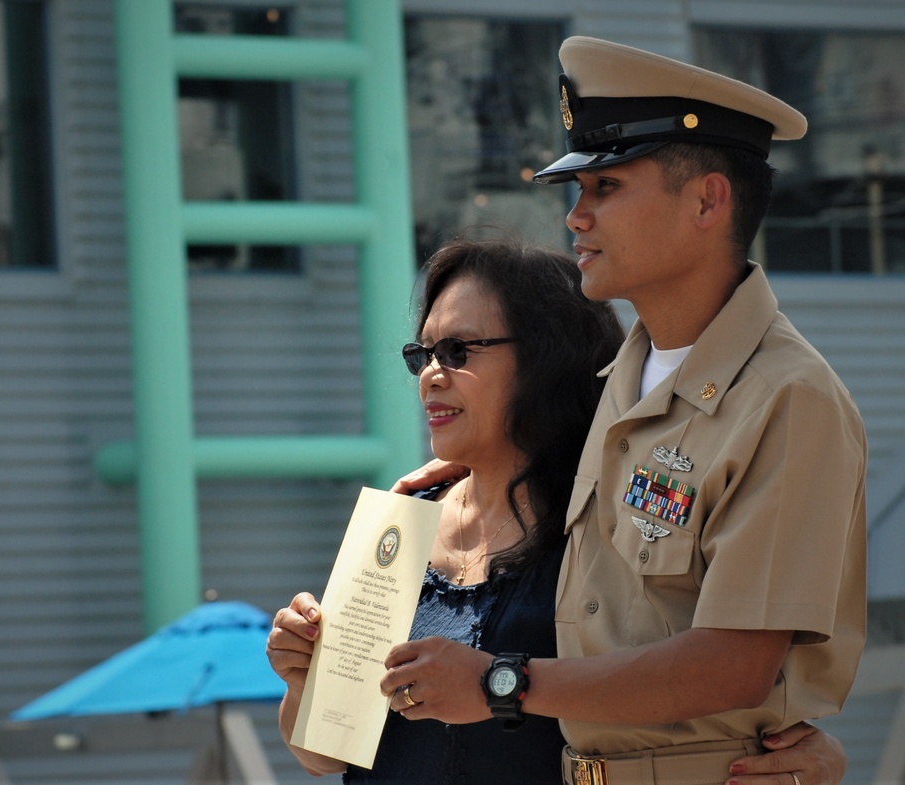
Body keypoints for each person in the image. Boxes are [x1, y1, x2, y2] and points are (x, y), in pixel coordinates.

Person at [382, 37, 867, 785]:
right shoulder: (625, 378)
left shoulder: (785, 396)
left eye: (605, 188)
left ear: (708, 199)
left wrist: (496, 683)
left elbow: (734, 665)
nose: (576, 218)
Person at [267, 239, 849, 784]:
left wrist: (773, 749)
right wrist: (302, 680)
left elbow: (712, 676)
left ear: (548, 360)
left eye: (458, 351)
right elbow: (322, 750)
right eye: (421, 353)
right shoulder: (401, 519)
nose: (430, 375)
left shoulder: (609, 520)